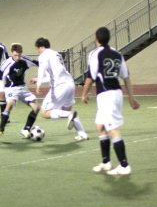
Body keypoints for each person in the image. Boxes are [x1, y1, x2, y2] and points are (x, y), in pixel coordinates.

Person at [81, 26, 139, 175]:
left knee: (112, 128)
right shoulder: (117, 53)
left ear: (97, 39)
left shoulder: (95, 54)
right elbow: (126, 77)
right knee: (100, 126)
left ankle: (124, 165)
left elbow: (90, 76)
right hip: (115, 94)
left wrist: (84, 93)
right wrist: (131, 98)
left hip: (107, 95)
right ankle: (106, 162)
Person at [33, 37, 88, 142]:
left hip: (60, 86)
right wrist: (39, 80)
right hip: (70, 84)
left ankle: (70, 115)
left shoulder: (43, 55)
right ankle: (82, 133)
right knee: (65, 110)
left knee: (44, 112)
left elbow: (42, 69)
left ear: (40, 47)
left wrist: (39, 84)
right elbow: (53, 74)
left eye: (37, 49)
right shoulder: (56, 54)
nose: (38, 52)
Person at [0, 43, 40, 139]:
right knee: (10, 105)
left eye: (19, 55)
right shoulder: (6, 63)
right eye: (15, 55)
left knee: (36, 108)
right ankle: (1, 129)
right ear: (12, 53)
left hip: (23, 88)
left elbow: (40, 64)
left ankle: (26, 129)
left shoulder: (25, 59)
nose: (17, 57)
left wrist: (39, 77)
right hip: (11, 88)